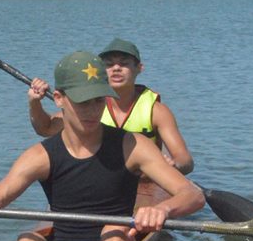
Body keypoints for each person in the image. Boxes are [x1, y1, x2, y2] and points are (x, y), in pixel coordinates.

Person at [0, 51, 204, 241]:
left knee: (113, 235)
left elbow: (193, 195)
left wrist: (163, 209)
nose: (93, 111)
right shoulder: (39, 156)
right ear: (60, 99)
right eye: (83, 103)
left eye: (99, 101)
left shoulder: (132, 146)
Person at [27, 37, 194, 175]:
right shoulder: (88, 103)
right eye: (109, 64)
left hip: (144, 184)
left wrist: (173, 166)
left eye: (124, 63)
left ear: (139, 68)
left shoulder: (156, 111)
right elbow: (45, 128)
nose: (116, 69)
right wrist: (35, 102)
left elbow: (185, 161)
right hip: (101, 180)